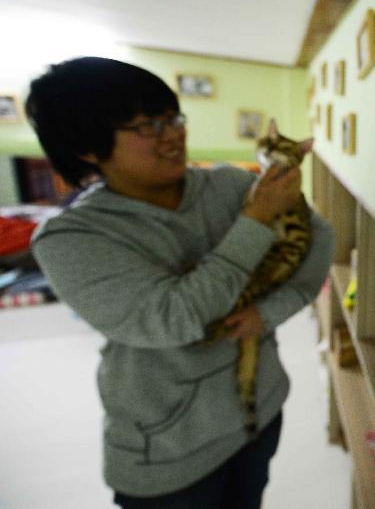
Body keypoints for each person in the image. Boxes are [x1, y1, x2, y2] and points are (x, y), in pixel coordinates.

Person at [25, 57, 335, 509]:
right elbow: (174, 320)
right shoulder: (71, 238)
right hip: (167, 452)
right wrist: (256, 220)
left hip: (260, 410)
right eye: (147, 126)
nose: (173, 134)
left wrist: (268, 313)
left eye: (172, 117)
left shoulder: (229, 184)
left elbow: (318, 238)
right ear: (89, 148)